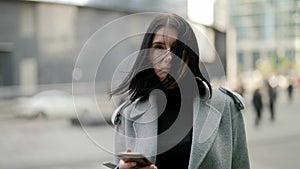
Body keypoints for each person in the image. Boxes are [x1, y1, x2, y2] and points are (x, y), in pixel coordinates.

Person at [110, 13, 250, 169]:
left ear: (190, 55)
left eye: (177, 49)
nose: (169, 57)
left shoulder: (226, 106)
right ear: (148, 54)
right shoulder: (128, 115)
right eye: (159, 47)